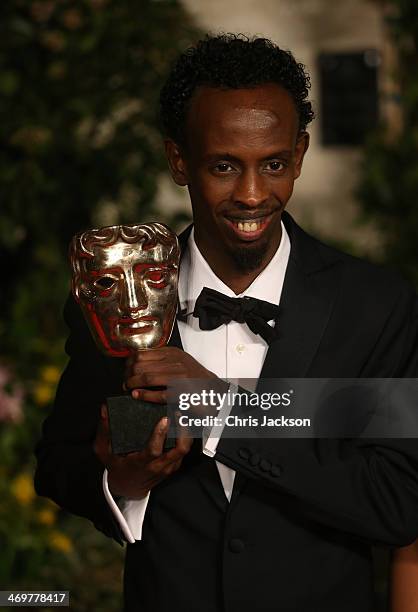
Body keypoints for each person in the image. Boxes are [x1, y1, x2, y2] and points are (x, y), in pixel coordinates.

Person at [34, 34, 418, 612]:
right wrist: (124, 483)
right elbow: (62, 466)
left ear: (300, 152)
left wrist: (219, 413)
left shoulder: (375, 306)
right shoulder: (116, 297)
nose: (252, 194)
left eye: (274, 164)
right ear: (178, 161)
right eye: (223, 166)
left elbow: (397, 500)